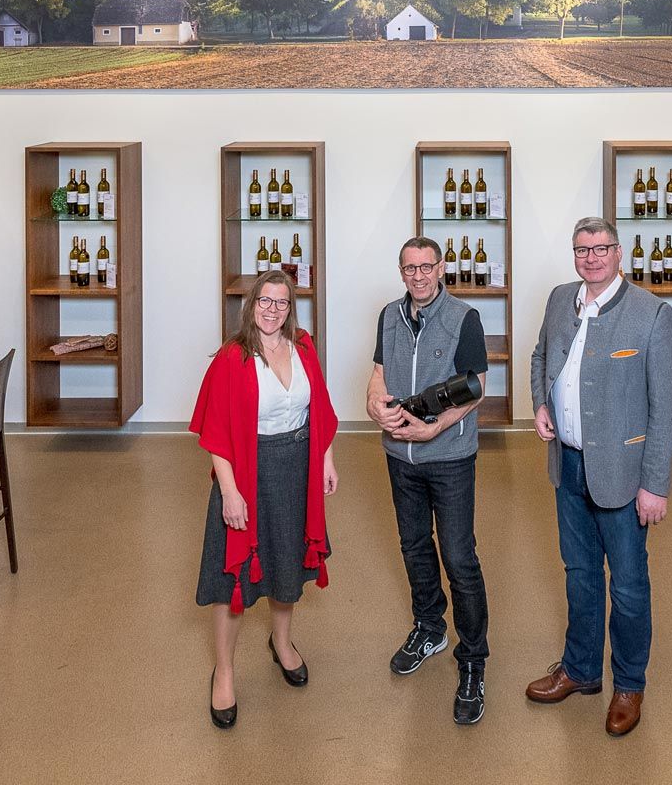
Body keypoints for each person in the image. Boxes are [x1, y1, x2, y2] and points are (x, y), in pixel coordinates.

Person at [525, 216, 672, 738]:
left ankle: (629, 683)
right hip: (567, 464)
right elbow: (541, 356)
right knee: (580, 573)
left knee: (630, 586)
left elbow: (666, 408)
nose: (590, 258)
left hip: (621, 473)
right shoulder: (558, 299)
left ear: (619, 253)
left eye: (600, 249)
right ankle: (581, 670)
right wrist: (540, 405)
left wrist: (654, 484)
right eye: (581, 250)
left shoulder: (651, 315)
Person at [190, 270, 340, 730]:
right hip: (246, 474)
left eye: (281, 302)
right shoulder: (231, 359)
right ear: (251, 305)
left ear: (291, 307)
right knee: (231, 577)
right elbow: (215, 433)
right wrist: (230, 492)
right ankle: (225, 670)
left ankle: (282, 643)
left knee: (285, 563)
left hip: (296, 469)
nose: (273, 309)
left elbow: (322, 411)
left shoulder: (305, 348)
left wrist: (326, 461)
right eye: (265, 301)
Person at [366, 236, 491, 725]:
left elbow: (476, 388)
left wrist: (434, 426)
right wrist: (374, 404)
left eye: (426, 267)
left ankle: (474, 660)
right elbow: (378, 374)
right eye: (409, 268)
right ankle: (429, 626)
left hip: (450, 455)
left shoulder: (465, 318)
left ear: (441, 268)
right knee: (414, 545)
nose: (418, 276)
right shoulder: (387, 317)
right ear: (401, 272)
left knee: (459, 557)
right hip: (400, 455)